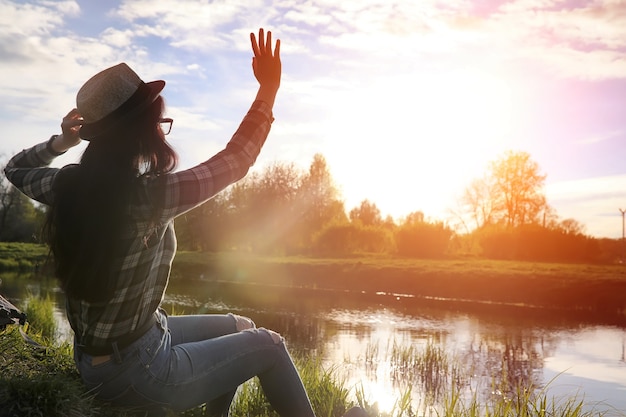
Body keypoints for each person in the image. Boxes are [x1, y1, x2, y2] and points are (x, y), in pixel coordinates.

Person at [5, 28, 363, 417]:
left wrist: (61, 143)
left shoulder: (66, 186)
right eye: (159, 122)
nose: (161, 130)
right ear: (139, 132)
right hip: (136, 370)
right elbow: (236, 160)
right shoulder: (150, 197)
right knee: (270, 345)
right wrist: (268, 91)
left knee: (240, 325)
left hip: (106, 354)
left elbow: (15, 168)